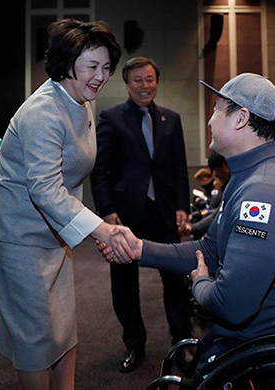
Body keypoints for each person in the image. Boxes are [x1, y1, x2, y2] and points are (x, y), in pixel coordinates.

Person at [99, 73, 275, 380]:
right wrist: (140, 249)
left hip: (263, 351)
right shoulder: (248, 176)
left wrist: (200, 282)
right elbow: (209, 250)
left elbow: (232, 305)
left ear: (241, 118)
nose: (209, 120)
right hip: (249, 341)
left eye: (217, 109)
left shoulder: (264, 191)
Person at [0, 19, 122, 389]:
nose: (101, 76)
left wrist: (94, 228)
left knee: (62, 325)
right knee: (36, 333)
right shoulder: (43, 111)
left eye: (106, 67)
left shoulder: (80, 100)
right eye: (92, 66)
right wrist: (101, 229)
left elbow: (71, 177)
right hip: (18, 235)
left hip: (54, 231)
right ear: (67, 62)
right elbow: (45, 189)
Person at [89, 56, 193, 372]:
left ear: (156, 82)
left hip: (163, 213)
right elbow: (100, 170)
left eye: (149, 79)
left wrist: (182, 207)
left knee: (176, 282)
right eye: (137, 79)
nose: (144, 85)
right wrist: (107, 211)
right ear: (126, 84)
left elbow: (179, 169)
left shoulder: (171, 120)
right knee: (124, 286)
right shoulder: (110, 118)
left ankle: (182, 345)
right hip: (125, 217)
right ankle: (135, 345)